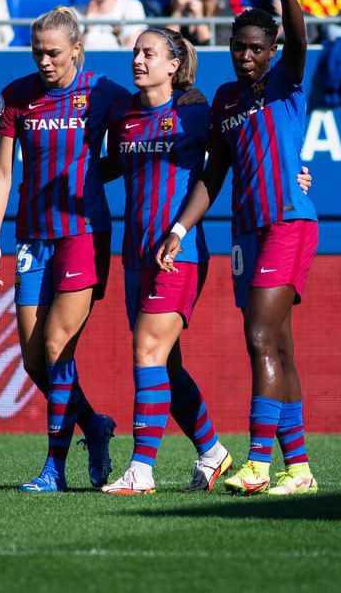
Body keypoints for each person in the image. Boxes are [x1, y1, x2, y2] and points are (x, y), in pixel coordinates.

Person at [157, 0, 320, 497]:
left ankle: (255, 463)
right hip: (246, 233)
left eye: (256, 48)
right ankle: (299, 470)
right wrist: (179, 230)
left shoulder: (286, 81)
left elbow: (299, 38)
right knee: (279, 349)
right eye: (238, 47)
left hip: (287, 222)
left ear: (271, 52)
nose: (247, 56)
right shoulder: (225, 100)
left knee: (257, 338)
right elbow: (212, 176)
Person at [0, 6, 123, 493]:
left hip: (83, 234)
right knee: (34, 361)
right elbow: (3, 172)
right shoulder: (16, 96)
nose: (44, 61)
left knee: (57, 348)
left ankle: (53, 469)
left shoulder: (103, 93)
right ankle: (95, 426)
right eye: (37, 51)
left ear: (76, 50)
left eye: (54, 53)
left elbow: (147, 130)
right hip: (31, 238)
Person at [97, 27, 232, 495]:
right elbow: (110, 165)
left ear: (173, 64)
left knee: (147, 353)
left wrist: (298, 169)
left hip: (180, 254)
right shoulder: (123, 114)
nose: (137, 59)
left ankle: (141, 469)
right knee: (166, 366)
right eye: (134, 51)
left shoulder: (195, 112)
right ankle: (212, 451)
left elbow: (237, 153)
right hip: (134, 253)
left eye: (148, 53)